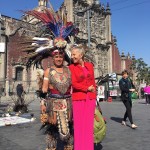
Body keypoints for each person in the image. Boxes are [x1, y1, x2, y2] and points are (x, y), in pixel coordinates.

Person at [42, 49, 73, 150]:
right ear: (52, 58)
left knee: (69, 127)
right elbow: (44, 90)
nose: (59, 59)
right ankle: (51, 147)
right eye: (56, 57)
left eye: (60, 57)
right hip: (53, 102)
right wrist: (42, 103)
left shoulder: (69, 69)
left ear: (63, 58)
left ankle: (68, 147)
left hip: (68, 102)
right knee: (52, 127)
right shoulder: (48, 71)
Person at [69, 44, 96, 150]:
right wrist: (86, 88)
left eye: (74, 54)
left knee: (88, 126)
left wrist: (94, 95)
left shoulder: (90, 65)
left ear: (81, 55)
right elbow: (73, 83)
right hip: (78, 99)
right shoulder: (71, 67)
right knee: (79, 126)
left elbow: (93, 81)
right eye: (71, 55)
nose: (72, 57)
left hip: (90, 99)